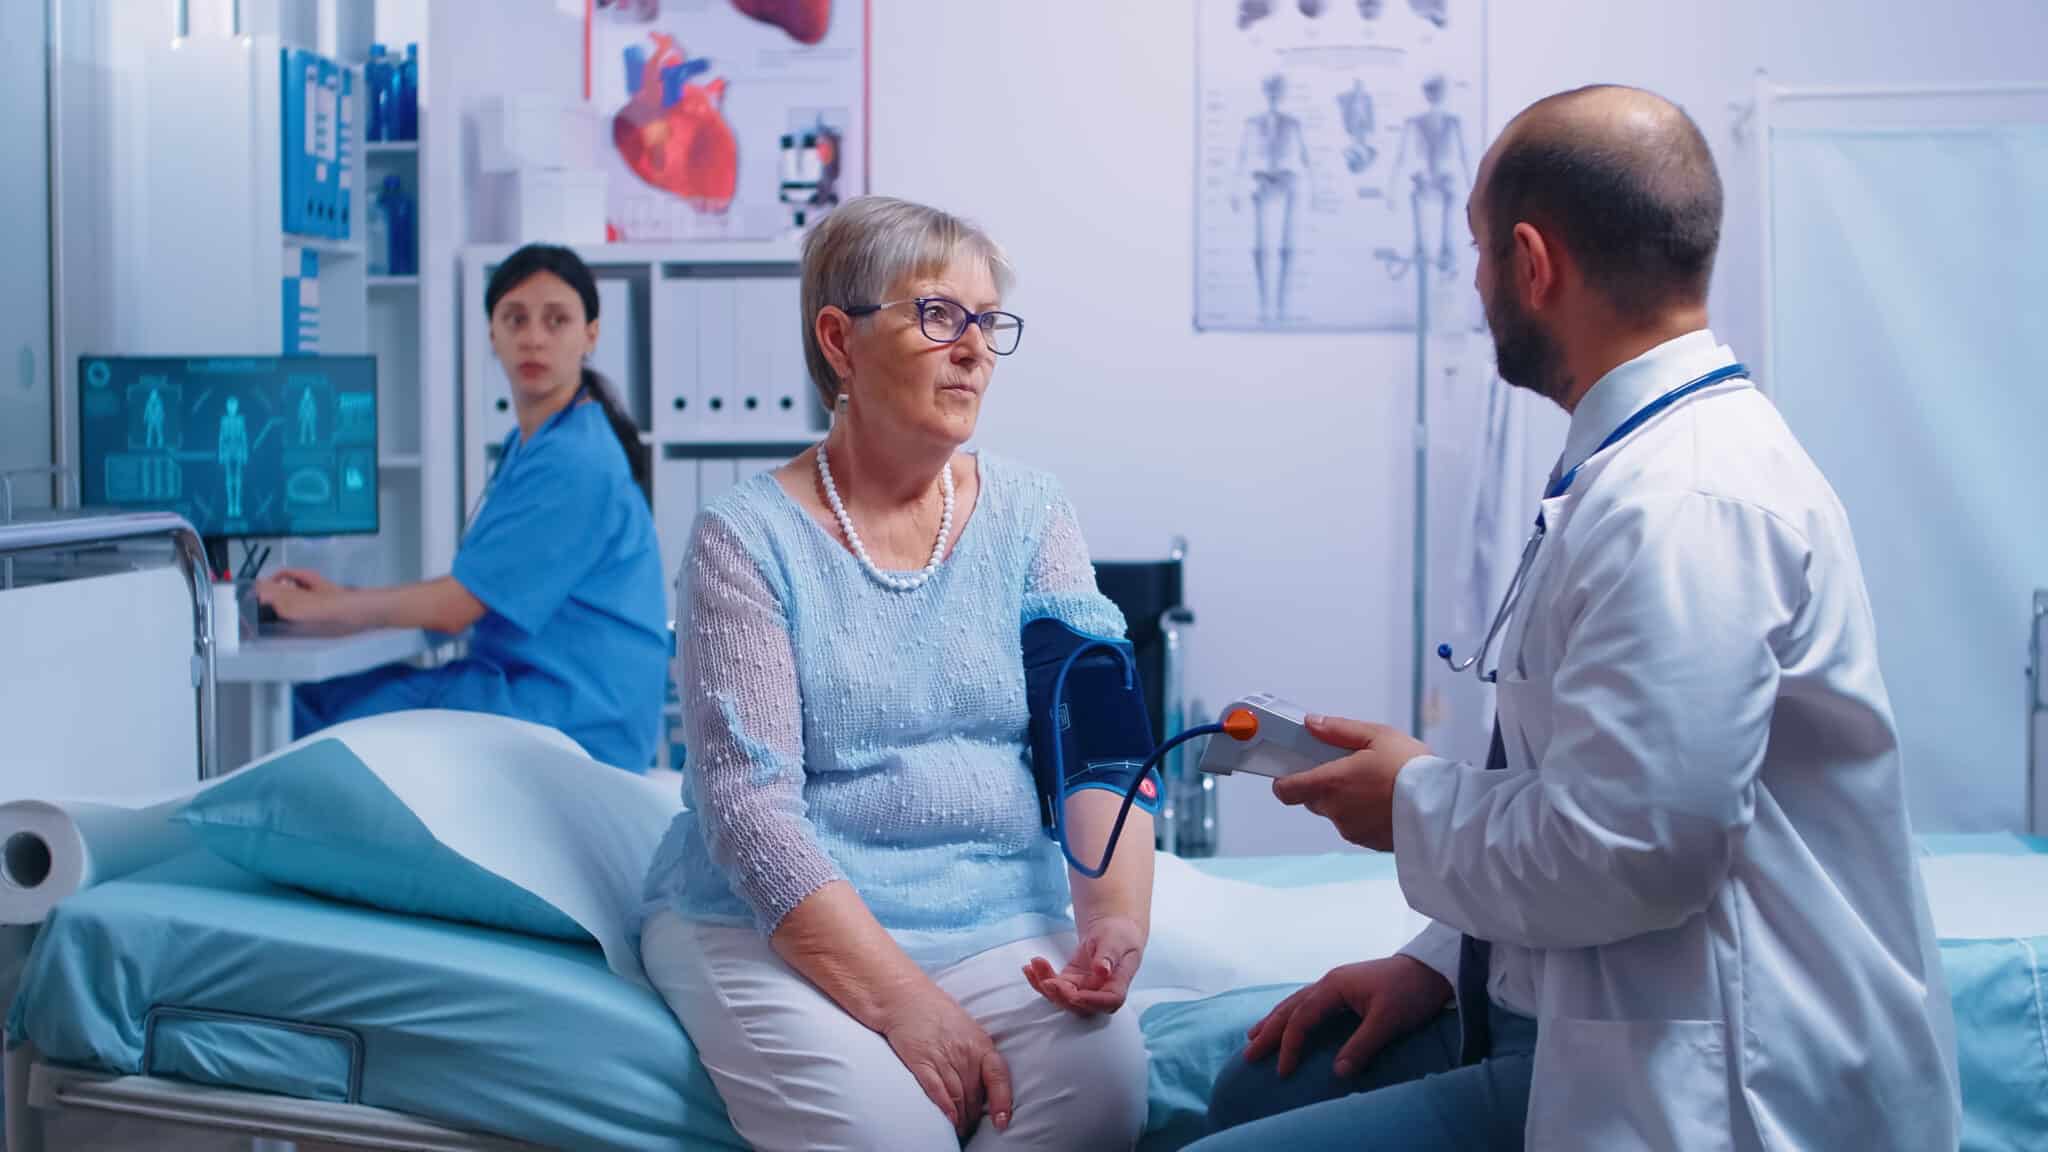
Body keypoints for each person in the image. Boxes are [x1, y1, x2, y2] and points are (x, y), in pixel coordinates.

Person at [1194, 84, 1959, 1150]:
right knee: (1253, 1091)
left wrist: (1407, 801)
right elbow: (1592, 783)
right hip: (1573, 1003)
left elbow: (1633, 850)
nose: (1473, 287)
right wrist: (1434, 962)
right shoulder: (1632, 465)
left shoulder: (1681, 503)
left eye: (1475, 255)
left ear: (1530, 262)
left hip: (1709, 1076)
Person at [637, 196, 1152, 1151]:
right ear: (839, 340)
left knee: (1110, 1088)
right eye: (937, 315)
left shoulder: (1032, 513)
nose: (975, 350)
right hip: (772, 930)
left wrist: (1115, 920)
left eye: (988, 322)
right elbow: (750, 815)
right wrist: (907, 1004)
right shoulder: (743, 540)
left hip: (994, 912)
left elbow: (1099, 738)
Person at [256, 244, 669, 772]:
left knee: (312, 713)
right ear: (492, 333)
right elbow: (476, 590)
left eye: (556, 320)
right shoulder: (539, 442)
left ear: (590, 333)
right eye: (514, 319)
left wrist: (323, 608)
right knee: (333, 699)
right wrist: (343, 597)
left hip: (570, 717)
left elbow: (457, 608)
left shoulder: (575, 457)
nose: (533, 337)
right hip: (543, 694)